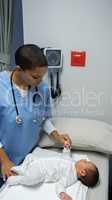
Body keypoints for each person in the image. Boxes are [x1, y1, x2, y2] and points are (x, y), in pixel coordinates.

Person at [0, 44, 71, 187]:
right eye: (35, 76)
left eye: (42, 76)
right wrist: (5, 161)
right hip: (5, 159)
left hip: (29, 158)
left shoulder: (42, 88)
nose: (40, 81)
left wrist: (57, 135)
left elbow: (42, 118)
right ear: (19, 69)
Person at [6, 146, 99, 200]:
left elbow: (60, 185)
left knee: (31, 180)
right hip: (40, 161)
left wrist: (63, 194)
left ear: (82, 172)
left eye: (86, 162)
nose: (84, 159)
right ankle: (23, 168)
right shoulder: (73, 162)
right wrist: (67, 149)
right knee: (30, 156)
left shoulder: (71, 176)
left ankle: (17, 179)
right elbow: (65, 156)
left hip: (41, 172)